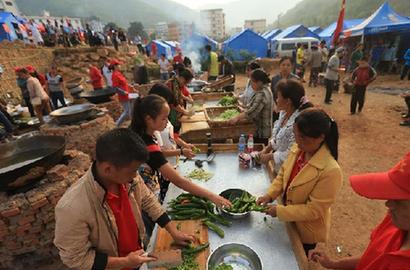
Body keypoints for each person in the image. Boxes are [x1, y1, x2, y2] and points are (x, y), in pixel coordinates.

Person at [54, 128, 195, 270]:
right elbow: (76, 259)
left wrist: (173, 231)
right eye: (133, 171)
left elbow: (148, 201)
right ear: (108, 169)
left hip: (135, 257)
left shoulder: (127, 178)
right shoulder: (71, 208)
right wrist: (124, 262)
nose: (136, 175)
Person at [130, 95, 232, 235]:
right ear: (148, 119)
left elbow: (158, 158)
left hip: (146, 194)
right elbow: (179, 181)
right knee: (149, 232)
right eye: (164, 118)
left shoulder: (141, 134)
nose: (167, 122)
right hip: (142, 201)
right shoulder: (146, 144)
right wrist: (212, 196)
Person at [257, 108, 342, 256]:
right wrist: (270, 195)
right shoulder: (299, 148)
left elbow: (314, 210)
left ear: (321, 137)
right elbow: (284, 173)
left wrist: (280, 211)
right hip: (288, 216)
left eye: (302, 137)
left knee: (297, 255)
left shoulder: (330, 171)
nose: (297, 140)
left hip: (305, 229)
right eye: (296, 135)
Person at [310, 153, 410, 269]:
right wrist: (335, 264)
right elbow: (374, 259)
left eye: (398, 201)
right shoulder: (395, 221)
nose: (388, 204)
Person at [257, 79, 313, 173]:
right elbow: (277, 137)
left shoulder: (299, 122)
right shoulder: (283, 112)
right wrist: (266, 149)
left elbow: (293, 152)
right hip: (279, 167)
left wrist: (269, 156)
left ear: (288, 101)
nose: (276, 100)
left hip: (290, 169)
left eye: (278, 97)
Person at [149, 84, 195, 165]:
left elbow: (171, 135)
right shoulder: (152, 125)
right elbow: (158, 153)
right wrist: (180, 151)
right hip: (163, 166)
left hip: (172, 162)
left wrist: (185, 145)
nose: (166, 121)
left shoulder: (163, 116)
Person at [229, 69, 273, 144]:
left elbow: (252, 112)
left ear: (259, 82)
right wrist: (243, 107)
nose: (251, 84)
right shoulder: (262, 90)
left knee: (256, 153)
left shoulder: (262, 93)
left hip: (260, 132)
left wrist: (237, 118)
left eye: (252, 81)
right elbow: (252, 106)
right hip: (258, 130)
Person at [166, 68, 194, 133]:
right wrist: (185, 112)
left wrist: (187, 99)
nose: (185, 85)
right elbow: (173, 104)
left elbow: (179, 94)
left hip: (175, 111)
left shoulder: (176, 82)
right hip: (170, 113)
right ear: (181, 78)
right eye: (185, 82)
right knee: (173, 132)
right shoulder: (172, 84)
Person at [111, 59, 134, 127]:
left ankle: (132, 122)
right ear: (115, 66)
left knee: (132, 106)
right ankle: (116, 125)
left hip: (128, 94)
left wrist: (131, 87)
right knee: (126, 111)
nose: (120, 66)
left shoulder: (119, 73)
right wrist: (124, 92)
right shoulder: (114, 75)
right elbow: (115, 88)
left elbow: (125, 83)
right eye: (118, 65)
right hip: (123, 95)